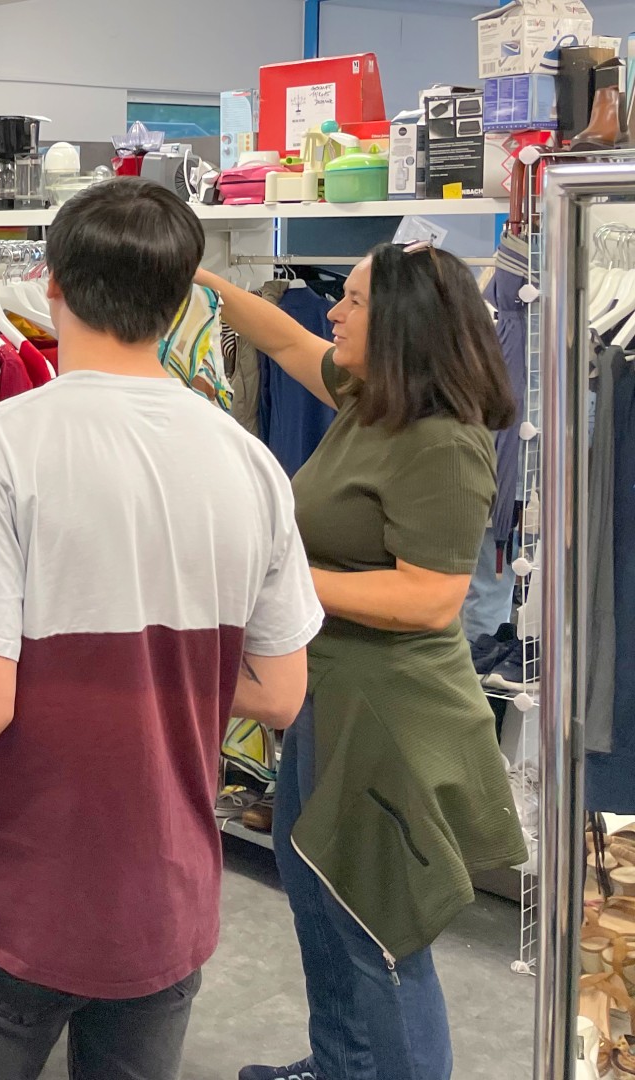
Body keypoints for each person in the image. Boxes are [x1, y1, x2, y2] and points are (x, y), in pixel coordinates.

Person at [0, 178, 325, 1080]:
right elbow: (280, 694)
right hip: (165, 894)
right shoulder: (251, 463)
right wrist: (158, 660)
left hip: (17, 895)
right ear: (184, 299)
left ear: (51, 286)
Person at [201, 245, 526, 1080]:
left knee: (378, 926)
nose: (333, 313)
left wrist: (282, 576)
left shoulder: (443, 441)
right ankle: (341, 1064)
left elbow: (430, 599)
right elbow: (279, 339)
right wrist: (193, 280)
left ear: (407, 324)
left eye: (352, 299)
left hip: (391, 716)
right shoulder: (370, 400)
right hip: (326, 694)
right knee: (319, 898)